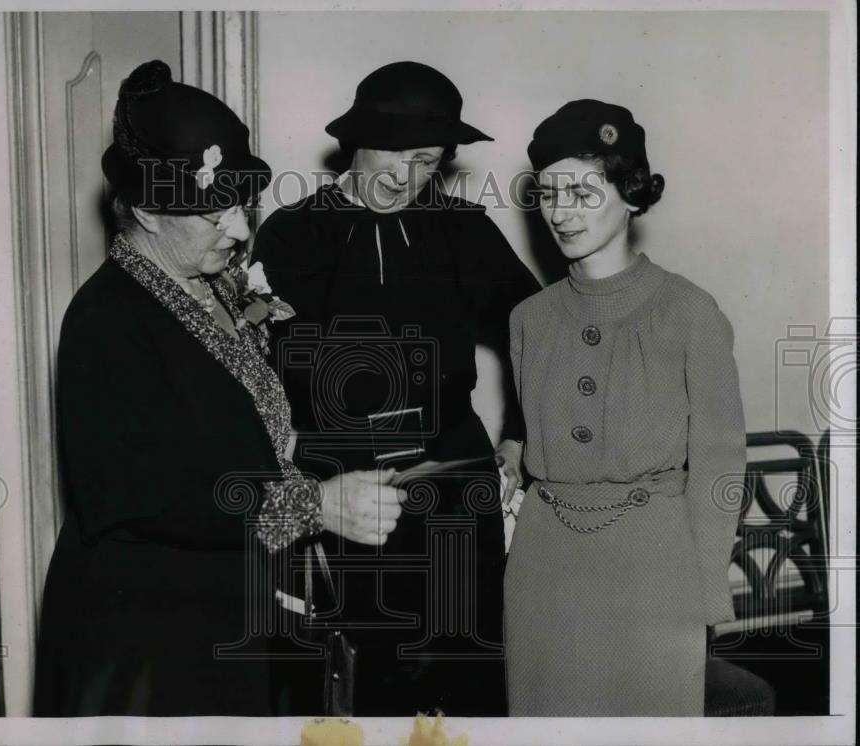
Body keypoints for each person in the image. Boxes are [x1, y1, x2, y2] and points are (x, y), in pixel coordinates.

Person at [32, 60, 406, 717]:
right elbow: (144, 496)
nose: (238, 231)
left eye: (241, 205)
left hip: (221, 618)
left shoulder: (210, 287)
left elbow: (239, 436)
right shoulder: (106, 319)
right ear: (146, 210)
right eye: (212, 213)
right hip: (146, 641)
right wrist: (313, 506)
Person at [252, 61, 541, 716]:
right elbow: (254, 374)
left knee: (464, 679)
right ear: (357, 138)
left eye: (427, 162)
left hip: (452, 486)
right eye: (396, 155)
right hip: (342, 496)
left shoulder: (464, 229)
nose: (405, 179)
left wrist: (522, 429)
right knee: (353, 687)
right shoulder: (289, 234)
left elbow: (537, 328)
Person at [504, 99, 746, 716]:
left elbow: (720, 464)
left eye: (583, 192)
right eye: (549, 194)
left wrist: (704, 592)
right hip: (543, 568)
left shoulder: (691, 314)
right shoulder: (528, 320)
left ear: (632, 193)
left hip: (653, 571)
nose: (560, 212)